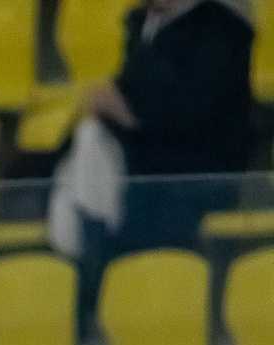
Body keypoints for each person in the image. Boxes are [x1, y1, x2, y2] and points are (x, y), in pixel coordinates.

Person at [69, 0, 256, 328]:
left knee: (134, 216)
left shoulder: (223, 32)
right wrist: (108, 108)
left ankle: (113, 308)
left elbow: (200, 117)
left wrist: (130, 117)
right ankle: (85, 302)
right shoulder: (140, 22)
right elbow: (130, 88)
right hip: (139, 163)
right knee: (82, 157)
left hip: (195, 172)